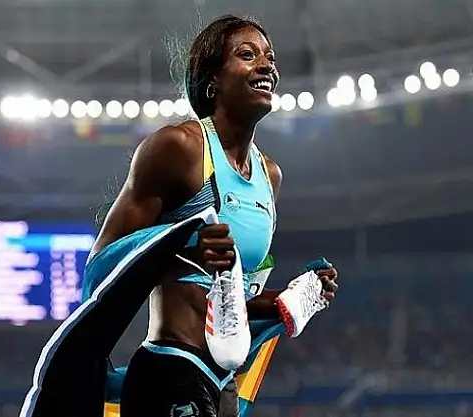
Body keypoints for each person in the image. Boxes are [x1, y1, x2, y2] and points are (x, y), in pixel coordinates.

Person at [88, 15, 339, 417]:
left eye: (270, 58)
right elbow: (100, 267)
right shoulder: (179, 148)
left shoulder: (270, 176)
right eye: (247, 55)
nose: (266, 66)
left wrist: (291, 298)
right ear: (213, 82)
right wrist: (182, 246)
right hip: (170, 370)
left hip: (224, 384)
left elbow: (234, 297)